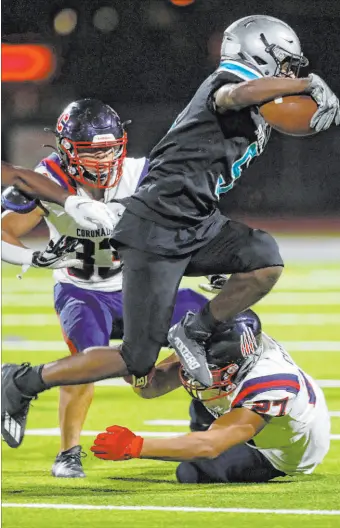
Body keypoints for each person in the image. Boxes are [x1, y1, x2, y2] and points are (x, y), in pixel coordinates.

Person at [2, 15, 340, 448]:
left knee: (263, 260)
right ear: (260, 53)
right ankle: (22, 380)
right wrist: (305, 83)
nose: (292, 71)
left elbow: (291, 118)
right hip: (158, 223)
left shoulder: (260, 99)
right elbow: (237, 93)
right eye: (286, 64)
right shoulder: (231, 79)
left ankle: (193, 330)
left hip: (196, 220)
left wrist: (320, 108)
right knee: (137, 359)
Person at [1, 98, 208, 476]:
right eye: (90, 152)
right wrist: (31, 258)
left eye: (108, 151)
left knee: (213, 327)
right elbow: (5, 229)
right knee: (85, 361)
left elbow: (184, 222)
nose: (101, 161)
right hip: (82, 290)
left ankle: (204, 421)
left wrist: (209, 260)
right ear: (66, 149)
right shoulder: (48, 180)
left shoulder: (142, 173)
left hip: (138, 286)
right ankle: (68, 452)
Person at [90, 310, 331, 484]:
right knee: (205, 390)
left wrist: (135, 446)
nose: (188, 372)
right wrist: (133, 363)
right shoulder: (230, 350)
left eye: (203, 364)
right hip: (253, 401)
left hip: (282, 451)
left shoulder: (269, 383)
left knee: (190, 471)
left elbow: (210, 445)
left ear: (232, 366)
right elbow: (150, 387)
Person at [1, 160, 116, 232]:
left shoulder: (131, 174)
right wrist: (30, 257)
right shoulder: (53, 179)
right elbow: (4, 231)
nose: (99, 157)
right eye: (88, 149)